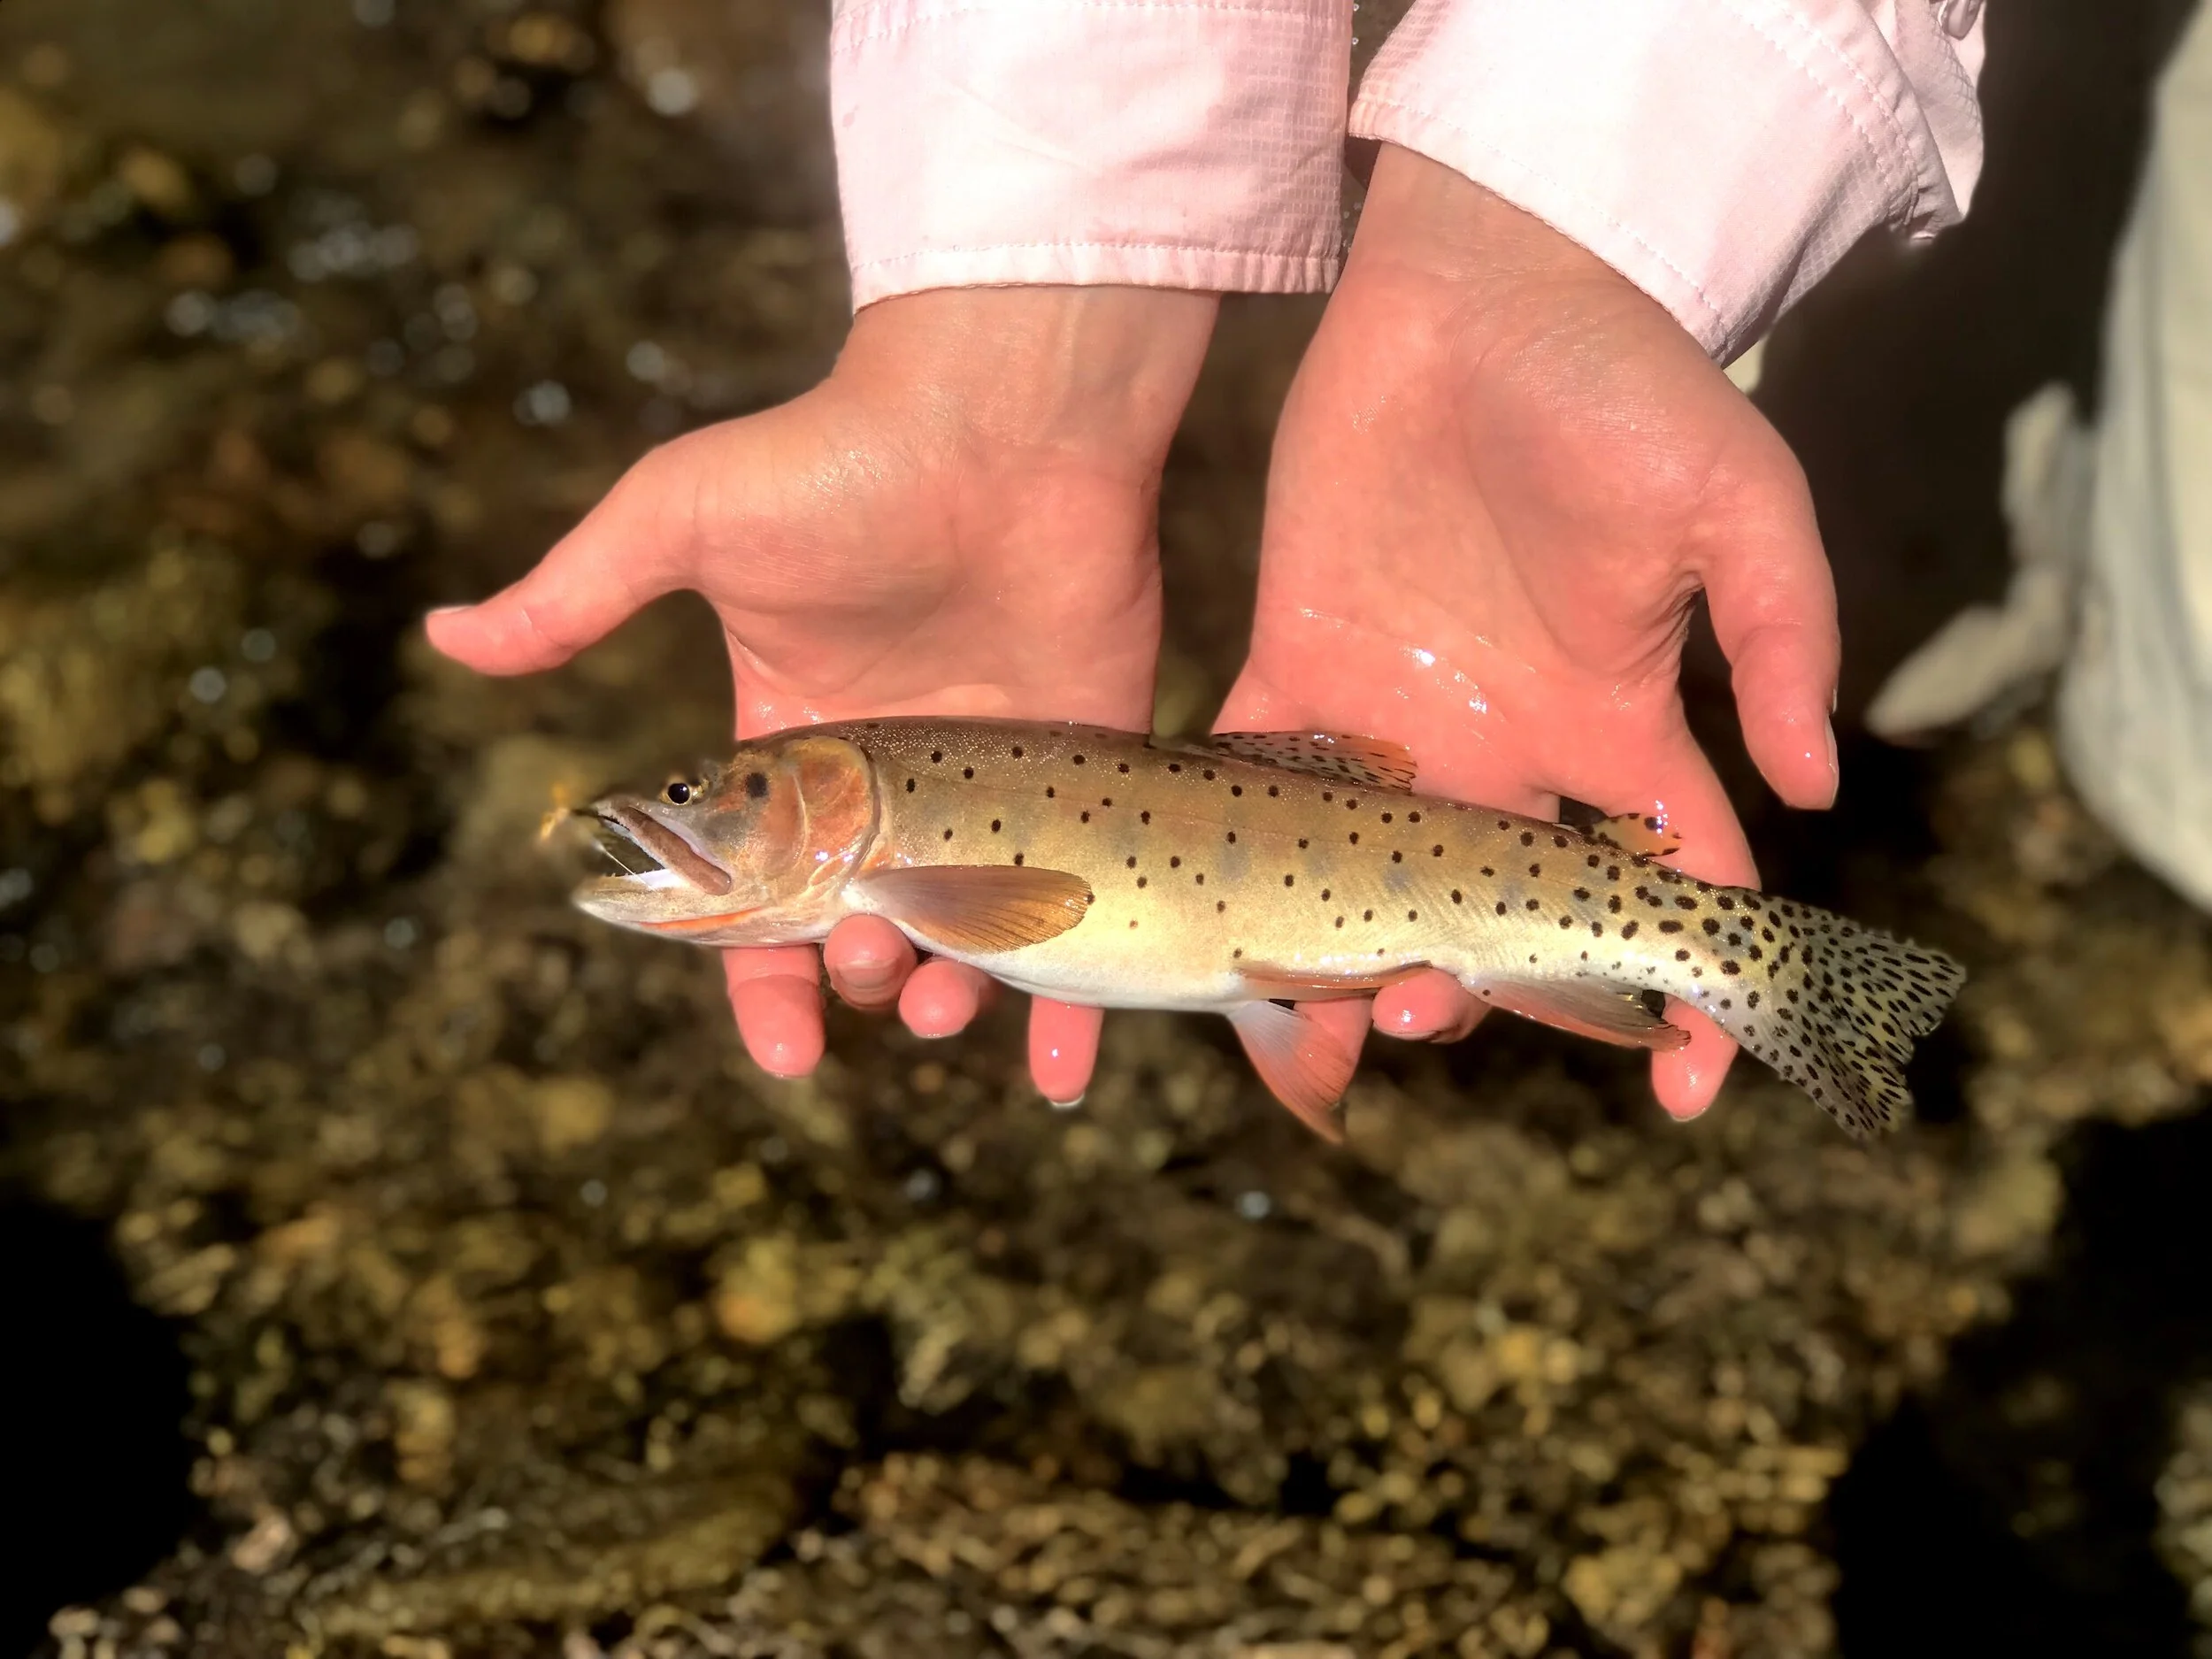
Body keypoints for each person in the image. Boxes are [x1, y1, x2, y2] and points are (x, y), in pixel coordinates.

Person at [428, 0, 1987, 1122]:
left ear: (834, 808)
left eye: (717, 794)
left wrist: (1555, 251)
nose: (681, 814)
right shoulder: (905, 845)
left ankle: (1825, 929)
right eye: (702, 803)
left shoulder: (914, 860)